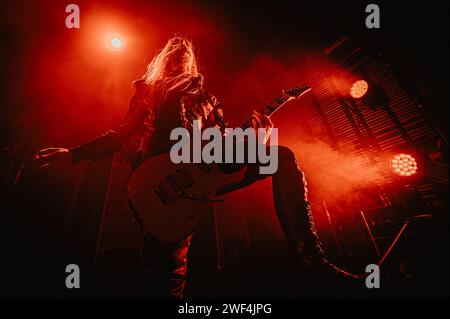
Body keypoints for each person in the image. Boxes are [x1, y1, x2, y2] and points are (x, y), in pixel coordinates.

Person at [34, 36, 359, 298]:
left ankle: (312, 265)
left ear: (191, 63)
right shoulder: (148, 89)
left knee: (282, 158)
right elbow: (121, 134)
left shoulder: (208, 100)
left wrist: (255, 131)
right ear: (164, 59)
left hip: (203, 172)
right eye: (173, 52)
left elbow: (223, 143)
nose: (180, 56)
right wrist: (75, 154)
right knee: (167, 277)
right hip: (160, 181)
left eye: (185, 53)